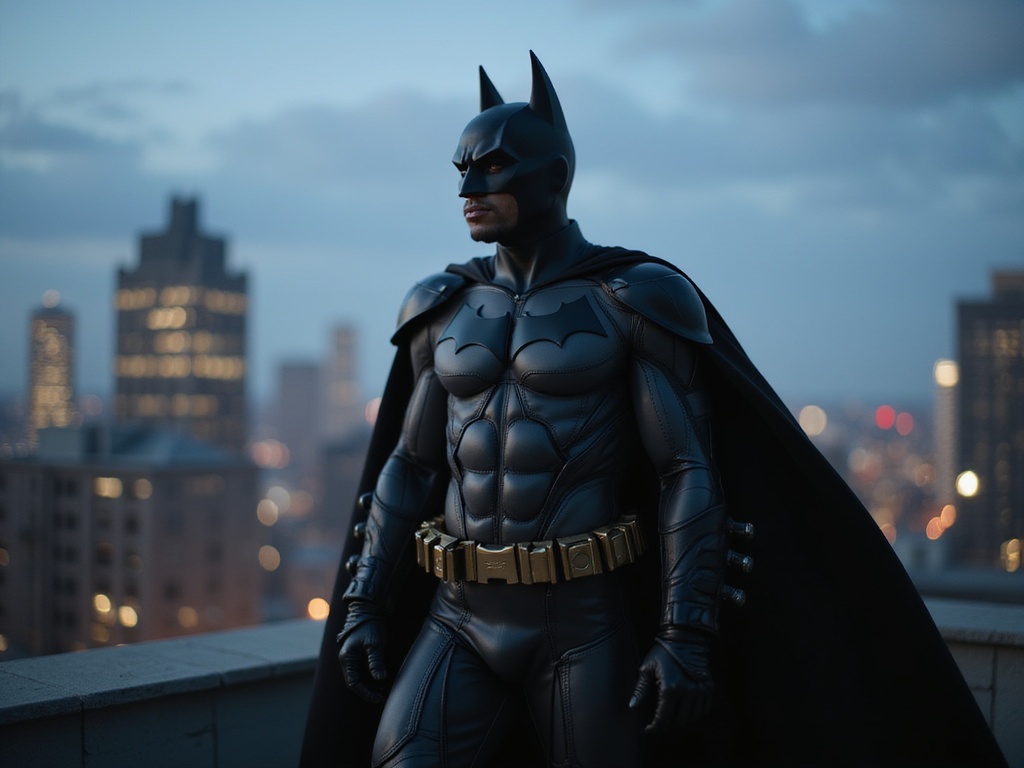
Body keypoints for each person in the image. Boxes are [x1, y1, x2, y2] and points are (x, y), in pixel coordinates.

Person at [301, 53, 1007, 768]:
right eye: (462, 169)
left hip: (579, 621)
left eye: (493, 167)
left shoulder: (633, 297)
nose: (469, 187)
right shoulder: (441, 305)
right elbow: (409, 463)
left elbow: (686, 470)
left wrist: (686, 633)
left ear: (555, 176)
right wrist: (363, 600)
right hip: (456, 613)